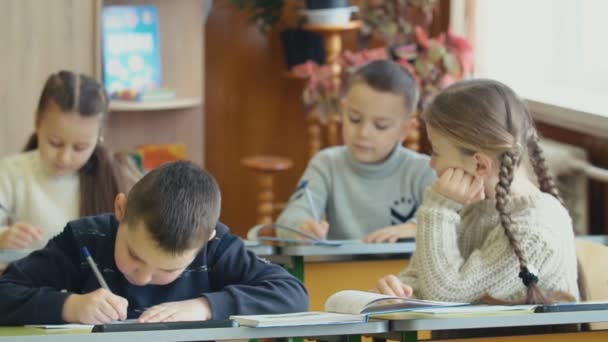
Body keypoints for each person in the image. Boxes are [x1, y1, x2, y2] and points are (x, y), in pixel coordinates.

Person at [0, 161, 308, 325]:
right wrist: (70, 306)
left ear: (206, 240)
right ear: (121, 210)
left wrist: (205, 306)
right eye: (134, 254)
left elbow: (292, 294)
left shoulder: (215, 249)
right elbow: (6, 293)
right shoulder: (85, 239)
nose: (143, 277)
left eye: (167, 269)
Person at [375, 79, 579, 307]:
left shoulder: (537, 230)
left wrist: (438, 209)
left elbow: (447, 296)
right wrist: (398, 290)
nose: (431, 164)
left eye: (436, 152)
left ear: (480, 165)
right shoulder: (468, 206)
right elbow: (422, 278)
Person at [276, 60, 436, 243]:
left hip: (402, 270)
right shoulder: (326, 163)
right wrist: (301, 227)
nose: (363, 133)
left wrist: (416, 227)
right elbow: (289, 218)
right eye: (355, 119)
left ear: (405, 130)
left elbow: (455, 219)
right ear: (343, 111)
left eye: (380, 126)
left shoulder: (423, 169)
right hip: (341, 270)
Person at [0, 70, 140, 258]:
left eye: (80, 147)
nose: (64, 158)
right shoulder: (11, 173)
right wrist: (3, 237)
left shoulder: (118, 173)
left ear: (99, 137)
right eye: (55, 143)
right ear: (37, 122)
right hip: (32, 284)